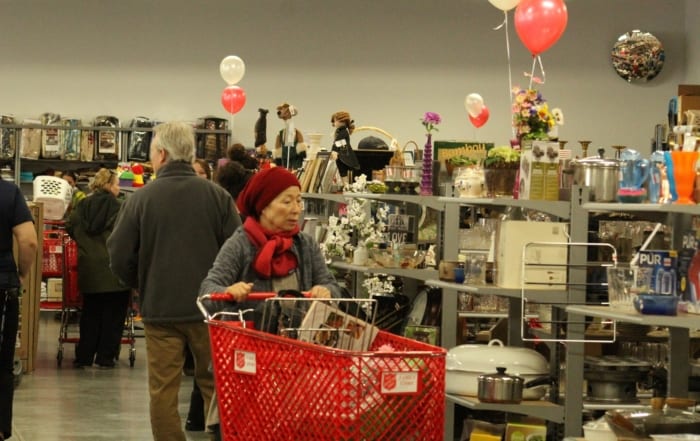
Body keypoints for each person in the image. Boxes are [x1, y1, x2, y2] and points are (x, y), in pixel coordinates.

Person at [107, 121, 240, 441]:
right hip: (211, 311)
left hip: (160, 310)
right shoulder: (218, 197)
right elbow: (239, 250)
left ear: (162, 154)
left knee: (163, 391)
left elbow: (118, 251)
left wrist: (141, 282)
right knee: (216, 387)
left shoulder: (141, 199)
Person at [199, 166, 341, 436]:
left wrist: (326, 291)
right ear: (263, 206)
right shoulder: (239, 244)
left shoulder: (305, 246)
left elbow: (333, 286)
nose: (296, 209)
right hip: (248, 370)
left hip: (296, 370)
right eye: (286, 201)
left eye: (299, 200)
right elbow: (207, 290)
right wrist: (229, 291)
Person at [66, 168, 130, 369]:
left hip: (89, 269)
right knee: (114, 316)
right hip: (115, 270)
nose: (119, 188)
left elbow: (70, 226)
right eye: (117, 184)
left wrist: (86, 245)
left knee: (90, 314)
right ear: (109, 185)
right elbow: (131, 233)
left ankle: (84, 356)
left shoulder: (82, 205)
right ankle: (105, 357)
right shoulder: (121, 207)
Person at [0, 180, 38, 441]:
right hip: (2, 287)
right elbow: (29, 241)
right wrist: (22, 273)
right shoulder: (8, 192)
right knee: (2, 364)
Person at [330, 110, 360, 183]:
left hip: (344, 156)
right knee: (342, 171)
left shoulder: (343, 132)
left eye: (335, 121)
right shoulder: (341, 131)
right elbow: (340, 142)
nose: (334, 123)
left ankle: (346, 184)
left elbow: (339, 142)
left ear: (341, 121)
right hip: (342, 155)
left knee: (343, 171)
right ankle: (346, 185)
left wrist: (335, 151)